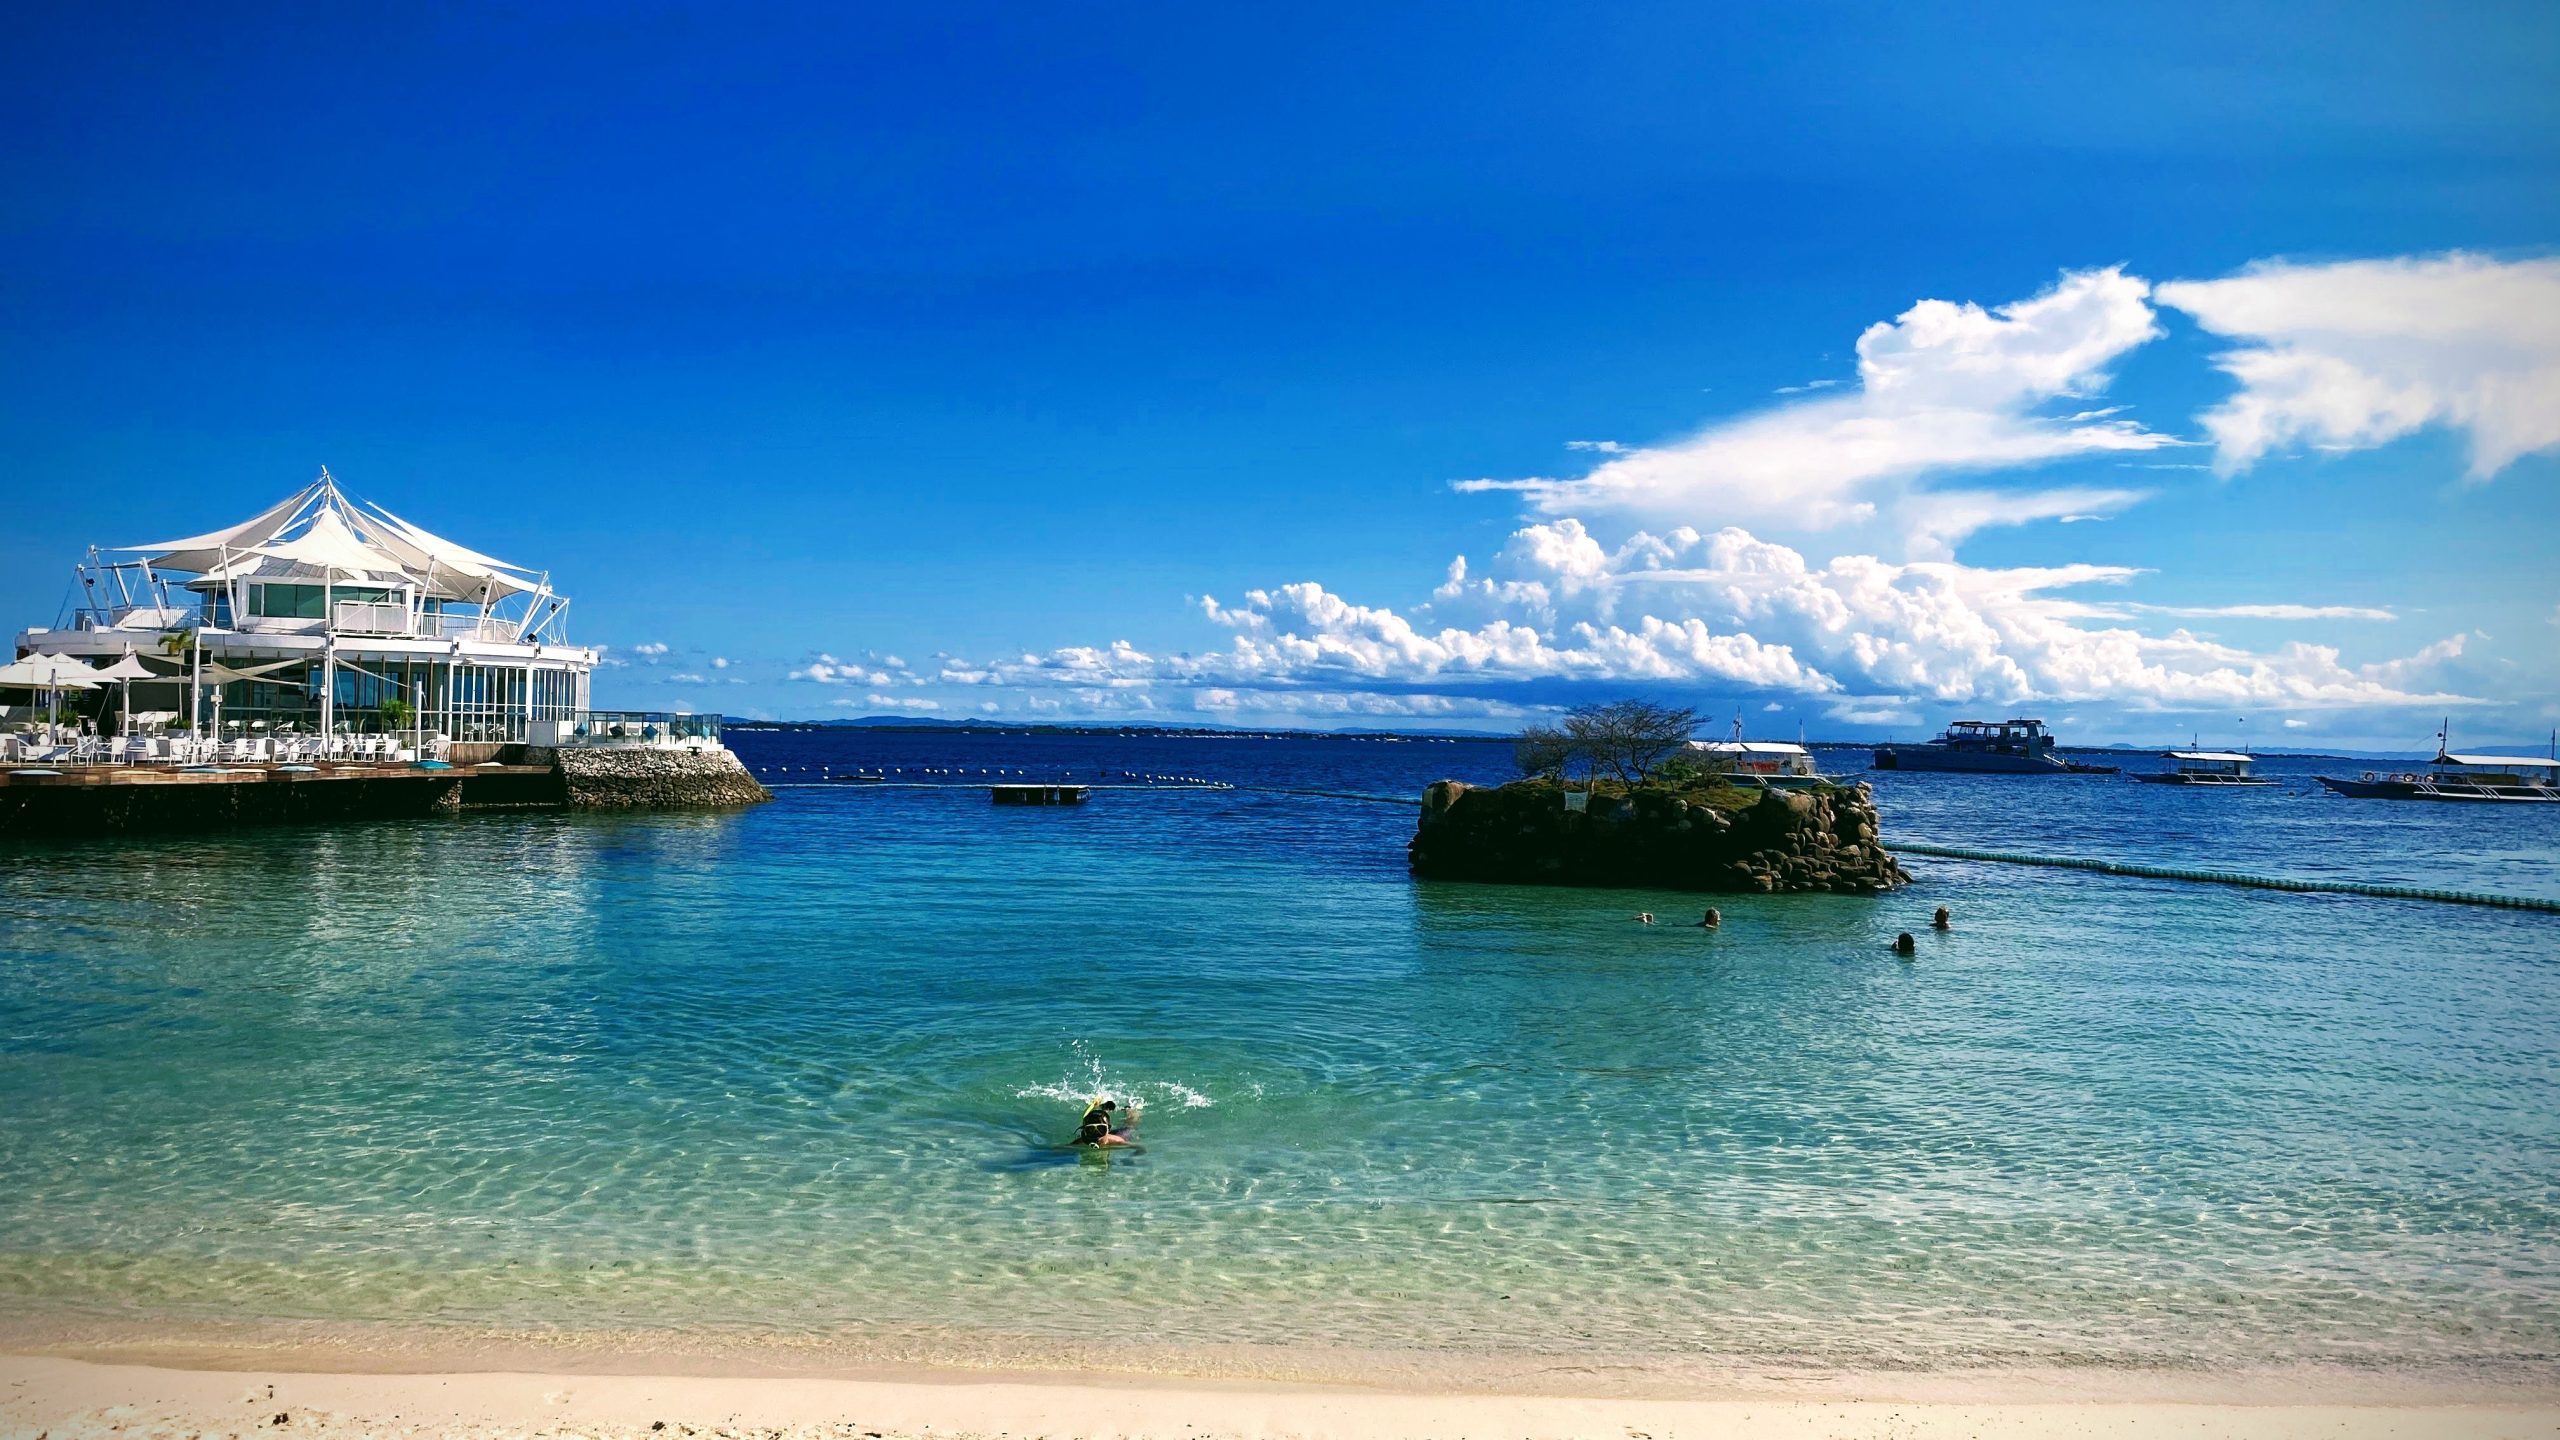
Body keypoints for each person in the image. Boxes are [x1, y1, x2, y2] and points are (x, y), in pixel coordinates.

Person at [1074, 1098, 1140, 1148]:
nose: (1097, 1136)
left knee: (1130, 1124)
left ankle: (1129, 1109)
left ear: (1108, 1129)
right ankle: (1104, 1109)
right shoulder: (1081, 1141)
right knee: (1099, 1120)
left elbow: (1140, 1148)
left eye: (1101, 1129)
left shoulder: (1118, 1141)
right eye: (1091, 1130)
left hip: (1119, 1134)